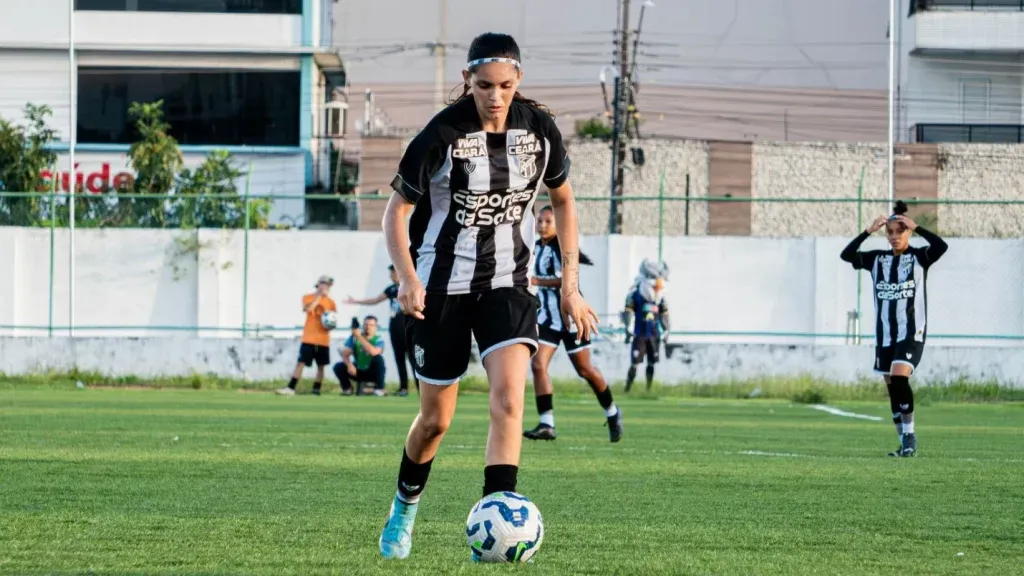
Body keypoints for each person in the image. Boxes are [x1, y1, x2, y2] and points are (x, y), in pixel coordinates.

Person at [377, 32, 599, 560]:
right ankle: (403, 510)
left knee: (508, 400)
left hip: (508, 282)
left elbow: (563, 202)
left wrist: (570, 287)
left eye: (504, 85)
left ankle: (495, 523)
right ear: (466, 81)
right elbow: (397, 213)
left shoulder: (539, 129)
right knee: (436, 421)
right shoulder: (441, 133)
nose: (495, 96)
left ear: (519, 79)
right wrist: (407, 277)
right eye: (483, 86)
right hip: (440, 288)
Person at [840, 200, 948, 457]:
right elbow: (846, 256)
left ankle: (910, 436)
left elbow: (941, 246)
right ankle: (903, 443)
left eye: (900, 230)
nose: (895, 236)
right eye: (890, 232)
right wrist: (868, 231)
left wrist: (918, 227)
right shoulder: (876, 259)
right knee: (892, 387)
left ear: (908, 232)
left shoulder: (920, 257)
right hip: (885, 336)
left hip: (912, 333)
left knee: (900, 377)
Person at [523, 205, 622, 443]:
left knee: (584, 370)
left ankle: (612, 412)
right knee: (538, 365)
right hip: (548, 319)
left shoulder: (561, 249)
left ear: (558, 224)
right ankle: (547, 423)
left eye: (548, 221)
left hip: (571, 317)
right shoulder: (535, 248)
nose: (542, 225)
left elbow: (565, 280)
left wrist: (536, 280)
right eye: (540, 221)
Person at [345, 264, 416, 396]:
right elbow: (375, 300)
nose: (390, 276)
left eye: (392, 273)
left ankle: (421, 389)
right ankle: (403, 388)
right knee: (399, 359)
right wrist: (356, 301)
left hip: (409, 329)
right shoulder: (391, 289)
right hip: (394, 329)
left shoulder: (409, 287)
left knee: (413, 359)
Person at [277, 275, 337, 396]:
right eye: (324, 284)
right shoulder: (308, 297)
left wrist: (330, 324)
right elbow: (308, 309)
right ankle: (291, 388)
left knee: (321, 366)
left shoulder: (331, 303)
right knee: (301, 363)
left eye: (328, 285)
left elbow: (332, 319)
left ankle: (316, 390)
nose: (326, 287)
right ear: (318, 284)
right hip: (309, 338)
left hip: (323, 339)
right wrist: (319, 297)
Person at [621, 260, 670, 392]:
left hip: (654, 335)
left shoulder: (660, 299)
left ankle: (648, 388)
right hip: (640, 334)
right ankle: (627, 388)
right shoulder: (636, 295)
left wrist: (666, 331)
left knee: (651, 362)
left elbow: (664, 315)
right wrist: (628, 329)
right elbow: (628, 312)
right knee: (635, 363)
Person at [333, 315, 388, 396]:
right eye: (366, 325)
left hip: (371, 371)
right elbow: (344, 353)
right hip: (358, 370)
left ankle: (379, 389)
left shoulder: (378, 339)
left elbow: (374, 352)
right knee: (338, 366)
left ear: (376, 327)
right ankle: (347, 389)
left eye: (371, 325)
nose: (368, 327)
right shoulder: (354, 338)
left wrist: (359, 336)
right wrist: (349, 365)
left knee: (379, 359)